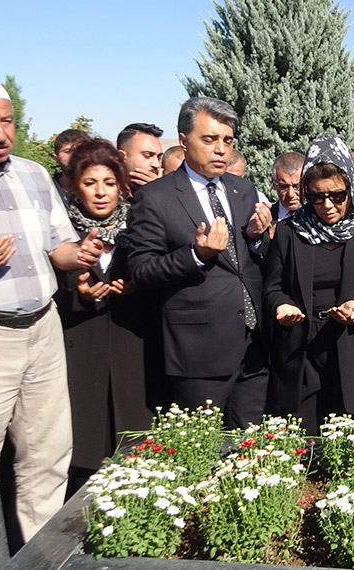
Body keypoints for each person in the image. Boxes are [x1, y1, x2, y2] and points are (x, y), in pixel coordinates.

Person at [0, 76, 103, 542]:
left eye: (7, 120)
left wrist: (84, 252)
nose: (1, 133)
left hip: (42, 326)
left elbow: (60, 251)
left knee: (48, 453)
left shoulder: (33, 175)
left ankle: (42, 552)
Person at [121, 96, 272, 429]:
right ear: (184, 141)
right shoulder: (156, 198)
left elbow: (253, 261)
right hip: (198, 351)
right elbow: (142, 270)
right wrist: (196, 255)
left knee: (250, 448)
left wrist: (258, 237)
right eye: (210, 139)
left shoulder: (243, 190)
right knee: (202, 451)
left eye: (227, 141)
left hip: (253, 344)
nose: (221, 149)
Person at [263, 133, 354, 435]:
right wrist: (281, 305)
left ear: (351, 187)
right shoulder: (289, 231)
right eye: (316, 196)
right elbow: (272, 287)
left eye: (337, 195)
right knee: (303, 458)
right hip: (302, 357)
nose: (327, 205)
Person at [53, 139, 153, 496]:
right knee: (86, 451)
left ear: (121, 184)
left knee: (137, 448)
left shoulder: (141, 227)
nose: (100, 193)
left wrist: (137, 287)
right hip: (82, 351)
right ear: (74, 186)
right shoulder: (60, 233)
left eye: (109, 183)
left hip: (134, 348)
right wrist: (77, 294)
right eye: (90, 183)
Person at [116, 122, 163, 196]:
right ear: (121, 156)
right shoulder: (106, 194)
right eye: (147, 155)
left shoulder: (166, 193)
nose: (156, 164)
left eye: (159, 157)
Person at [51, 128, 91, 197]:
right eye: (68, 151)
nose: (74, 155)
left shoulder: (103, 190)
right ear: (56, 158)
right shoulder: (47, 191)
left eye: (79, 150)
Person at [270, 151, 305, 221]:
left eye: (296, 186)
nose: (291, 194)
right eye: (284, 187)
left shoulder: (320, 217)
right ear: (274, 184)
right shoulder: (266, 221)